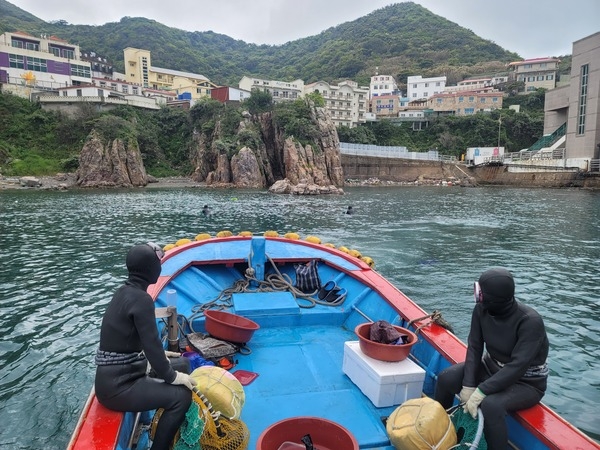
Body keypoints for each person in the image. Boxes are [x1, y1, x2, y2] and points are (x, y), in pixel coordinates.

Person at [94, 242, 197, 450]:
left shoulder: (124, 292)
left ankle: (162, 420)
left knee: (183, 365)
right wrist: (172, 377)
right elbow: (150, 346)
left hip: (122, 375)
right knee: (182, 396)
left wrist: (168, 360)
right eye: (158, 263)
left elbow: (137, 340)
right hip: (119, 387)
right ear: (152, 269)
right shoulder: (142, 300)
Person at [434, 267, 549, 450]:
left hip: (526, 382)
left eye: (481, 294)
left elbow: (518, 366)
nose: (477, 297)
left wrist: (481, 391)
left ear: (495, 299)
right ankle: (437, 431)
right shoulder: (481, 310)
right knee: (446, 378)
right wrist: (468, 385)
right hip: (491, 367)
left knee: (491, 406)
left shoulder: (530, 322)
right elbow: (475, 347)